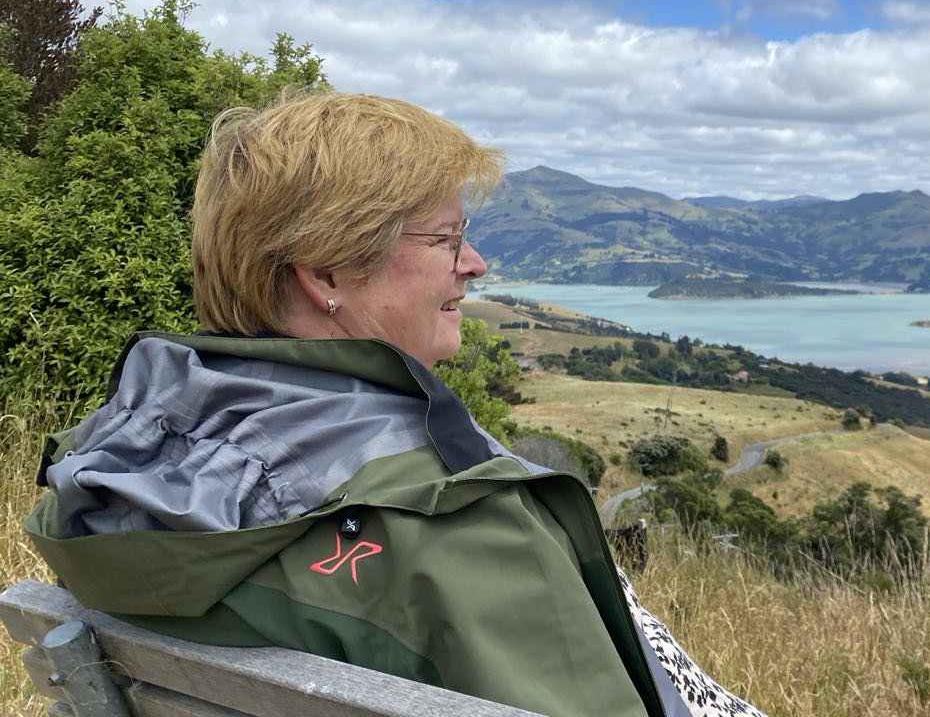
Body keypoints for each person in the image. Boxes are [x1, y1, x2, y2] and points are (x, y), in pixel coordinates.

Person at [24, 92, 765, 717]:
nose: (474, 264)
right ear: (327, 272)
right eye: (447, 238)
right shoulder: (456, 517)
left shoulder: (115, 471)